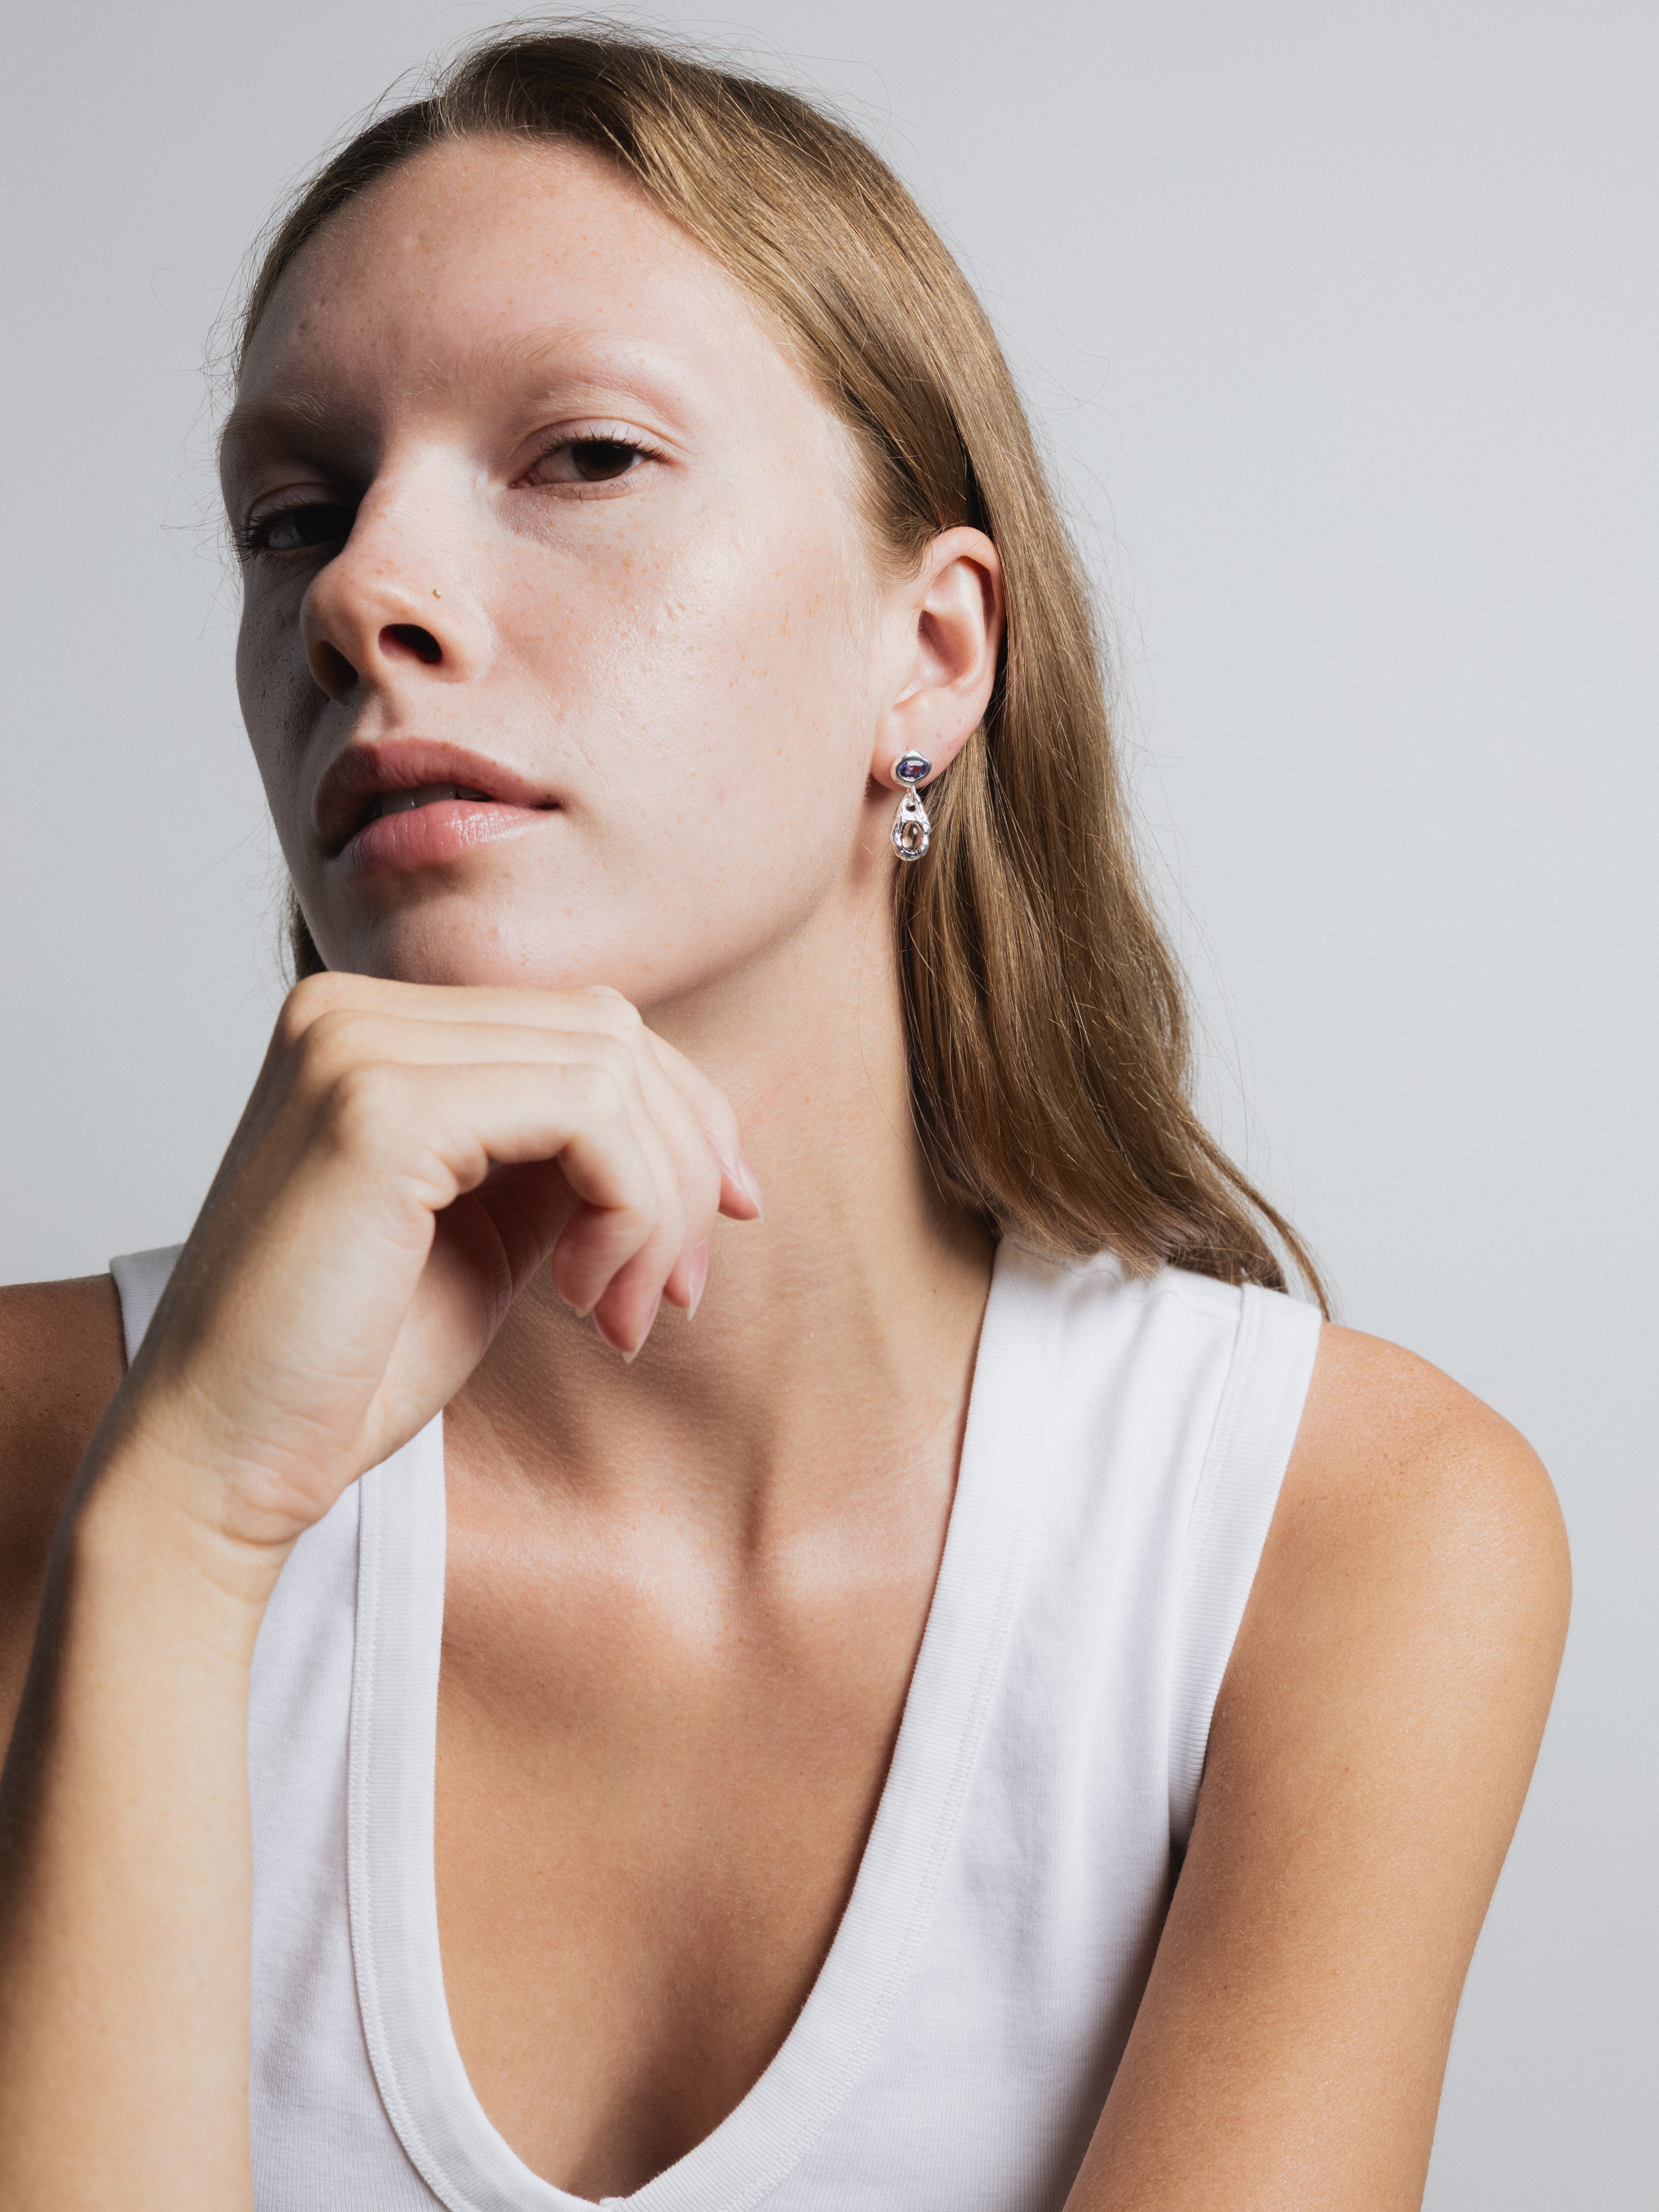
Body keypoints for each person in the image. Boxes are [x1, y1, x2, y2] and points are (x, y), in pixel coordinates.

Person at [0, 25, 1569, 2212]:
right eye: (294, 512)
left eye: (582, 455)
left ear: (927, 654)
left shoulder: (1332, 1539)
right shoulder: (34, 1451)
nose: (362, 592)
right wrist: (174, 1544)